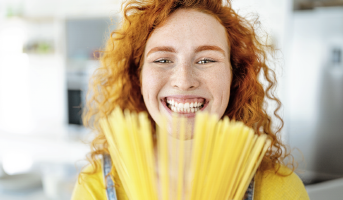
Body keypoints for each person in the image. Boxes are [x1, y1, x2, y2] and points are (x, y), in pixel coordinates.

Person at [72, 0, 310, 199]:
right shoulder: (96, 187)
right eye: (162, 60)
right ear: (138, 77)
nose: (184, 81)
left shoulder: (280, 190)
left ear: (235, 76)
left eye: (206, 60)